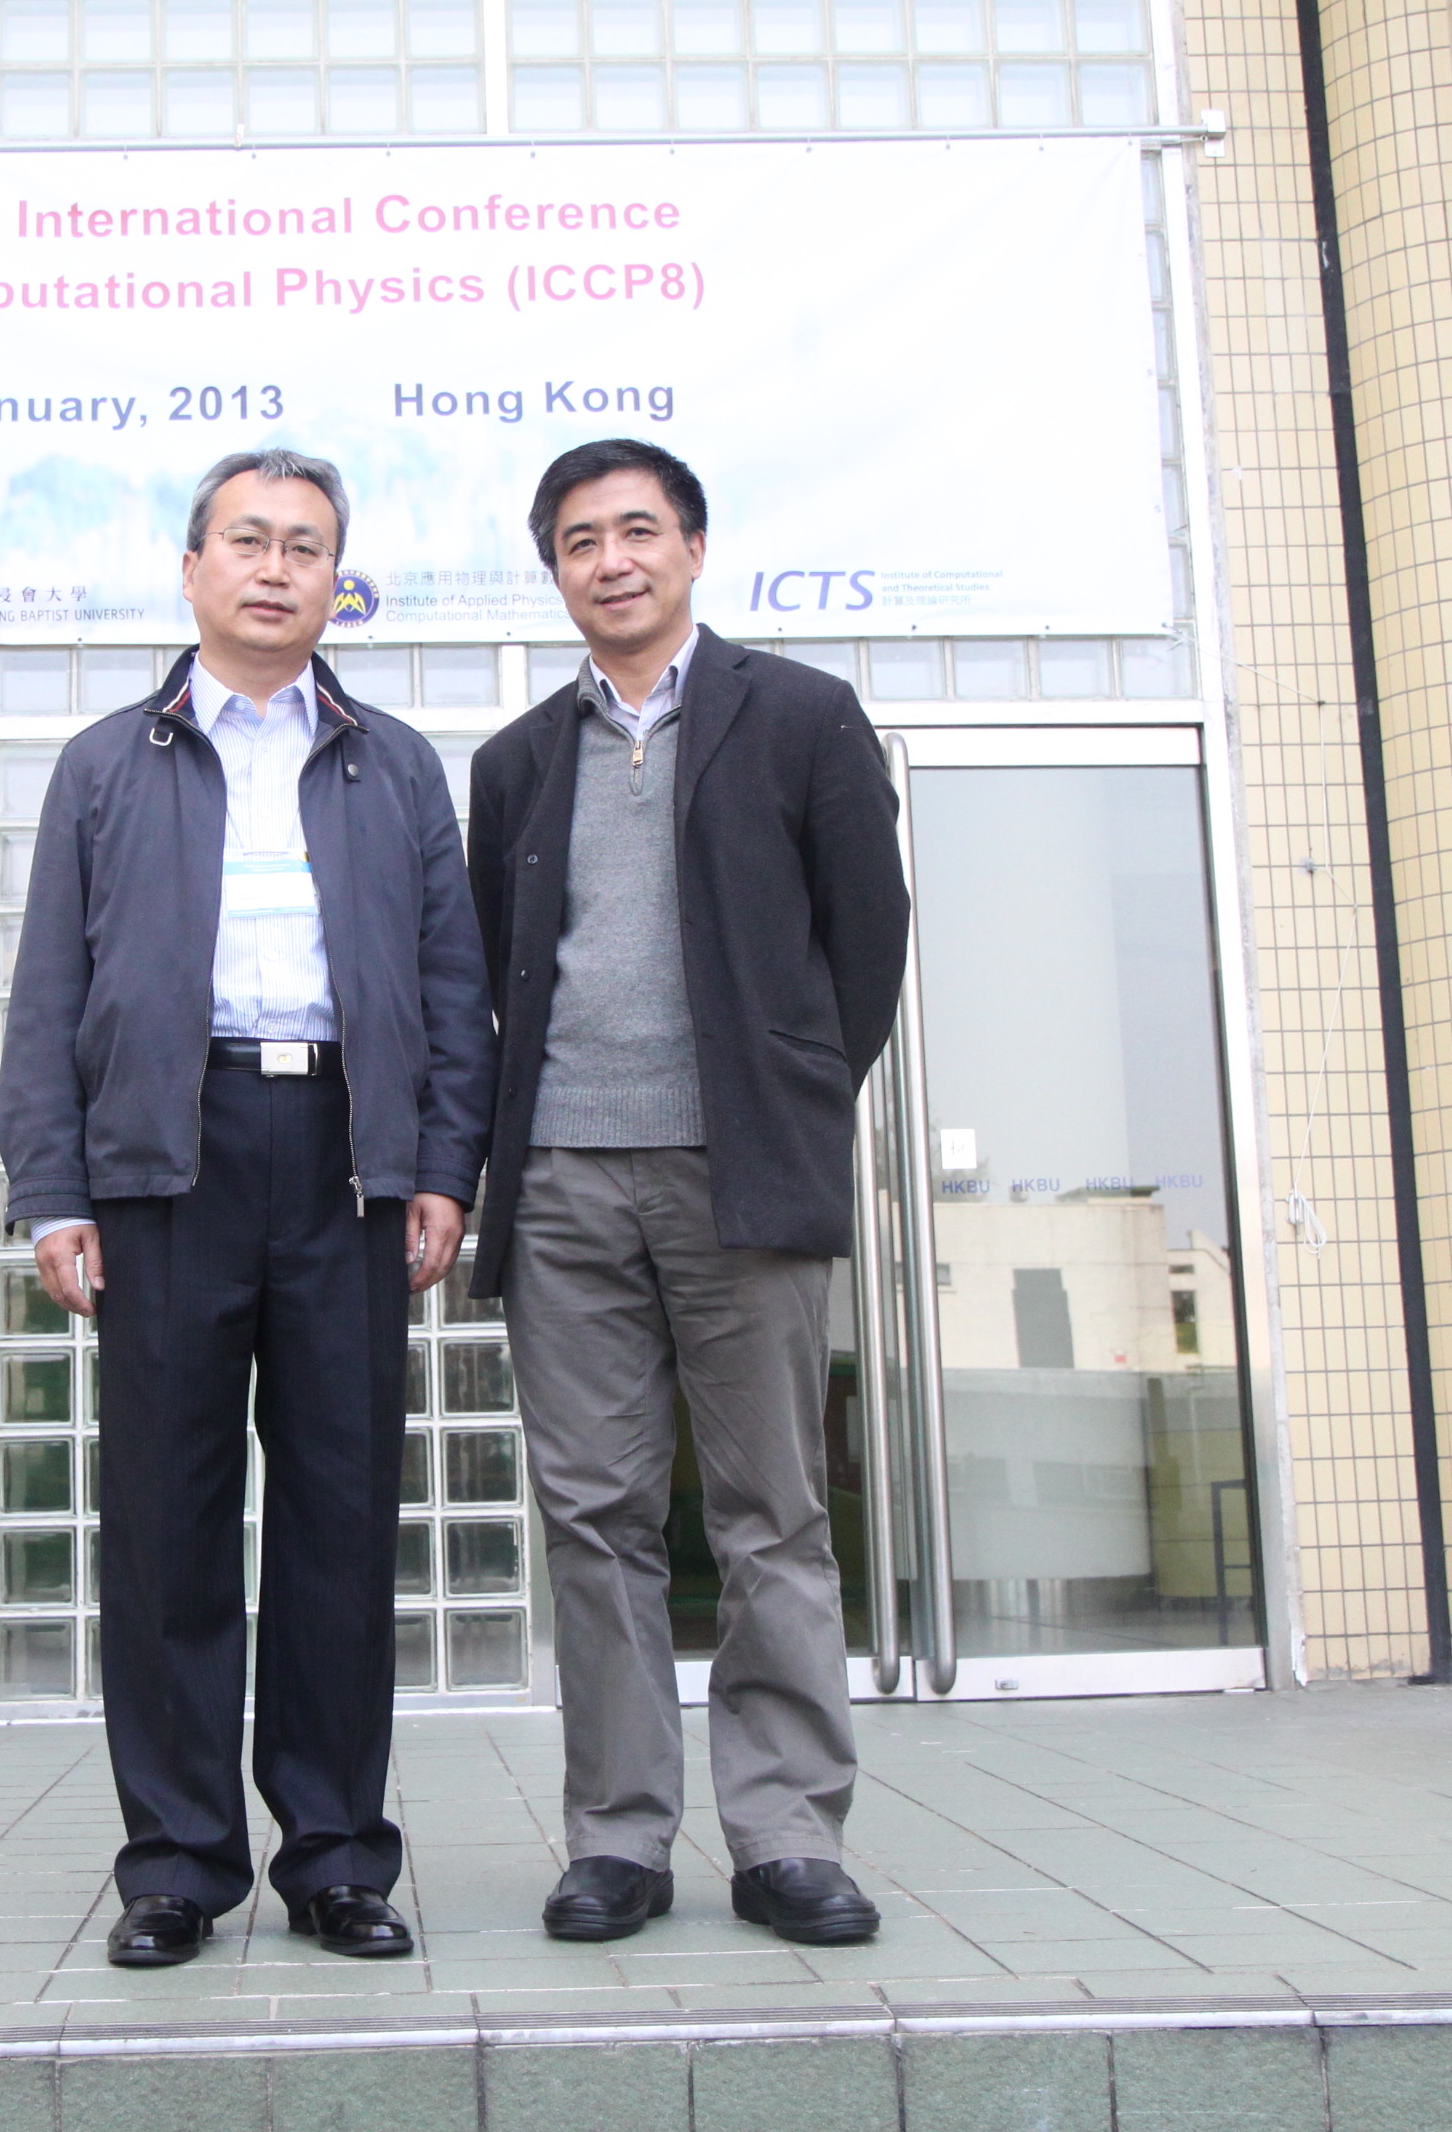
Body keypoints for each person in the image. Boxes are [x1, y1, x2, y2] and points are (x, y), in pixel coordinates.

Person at [0, 448, 497, 1971]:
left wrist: (442, 1168)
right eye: (249, 540)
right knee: (169, 1525)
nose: (276, 568)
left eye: (306, 547)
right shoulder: (105, 764)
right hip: (169, 1159)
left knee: (343, 1521)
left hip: (345, 1156)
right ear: (194, 568)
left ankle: (338, 1858)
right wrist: (53, 1190)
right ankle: (177, 1863)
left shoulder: (393, 766)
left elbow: (453, 987)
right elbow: (50, 993)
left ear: (338, 581)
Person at [465, 437, 910, 1948]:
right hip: (561, 1184)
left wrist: (790, 1099)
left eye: (638, 530)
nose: (613, 560)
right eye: (580, 541)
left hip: (743, 1178)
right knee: (594, 1518)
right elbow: (499, 973)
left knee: (770, 1511)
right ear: (556, 573)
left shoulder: (801, 717)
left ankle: (787, 1838)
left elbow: (867, 945)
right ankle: (618, 1838)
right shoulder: (518, 762)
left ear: (695, 548)